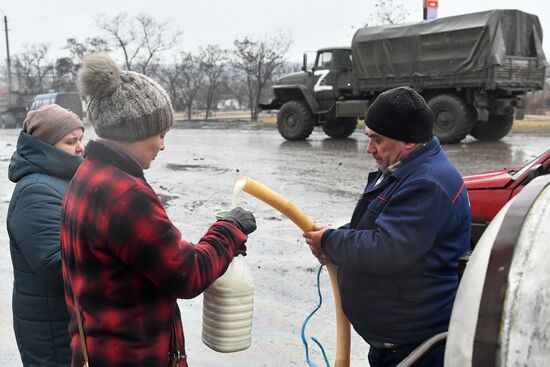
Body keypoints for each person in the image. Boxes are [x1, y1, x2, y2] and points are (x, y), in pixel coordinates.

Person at [60, 53, 256, 367]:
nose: (163, 146)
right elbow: (187, 274)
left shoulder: (87, 176)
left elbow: (143, 257)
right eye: (160, 134)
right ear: (136, 131)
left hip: (96, 350)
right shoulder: (124, 194)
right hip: (134, 356)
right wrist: (229, 230)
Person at [304, 86, 471, 367]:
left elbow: (388, 249)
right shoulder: (405, 169)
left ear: (407, 140)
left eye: (377, 140)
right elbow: (378, 223)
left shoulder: (427, 183)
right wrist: (334, 238)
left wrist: (332, 242)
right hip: (394, 344)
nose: (369, 148)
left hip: (417, 350)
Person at [7, 104, 85, 367]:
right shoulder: (36, 190)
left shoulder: (60, 180)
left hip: (63, 323)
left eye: (80, 139)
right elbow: (57, 265)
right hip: (51, 334)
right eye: (70, 141)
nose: (80, 147)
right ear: (47, 145)